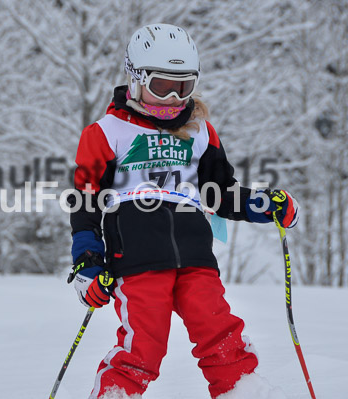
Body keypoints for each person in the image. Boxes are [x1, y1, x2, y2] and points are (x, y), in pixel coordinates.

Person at [68, 23, 299, 399]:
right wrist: (88, 263)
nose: (174, 97)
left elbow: (221, 194)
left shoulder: (201, 133)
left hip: (195, 258)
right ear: (136, 79)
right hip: (137, 259)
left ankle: (241, 391)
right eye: (162, 85)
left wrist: (265, 205)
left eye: (184, 86)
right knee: (144, 346)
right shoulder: (107, 132)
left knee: (220, 331)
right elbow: (85, 201)